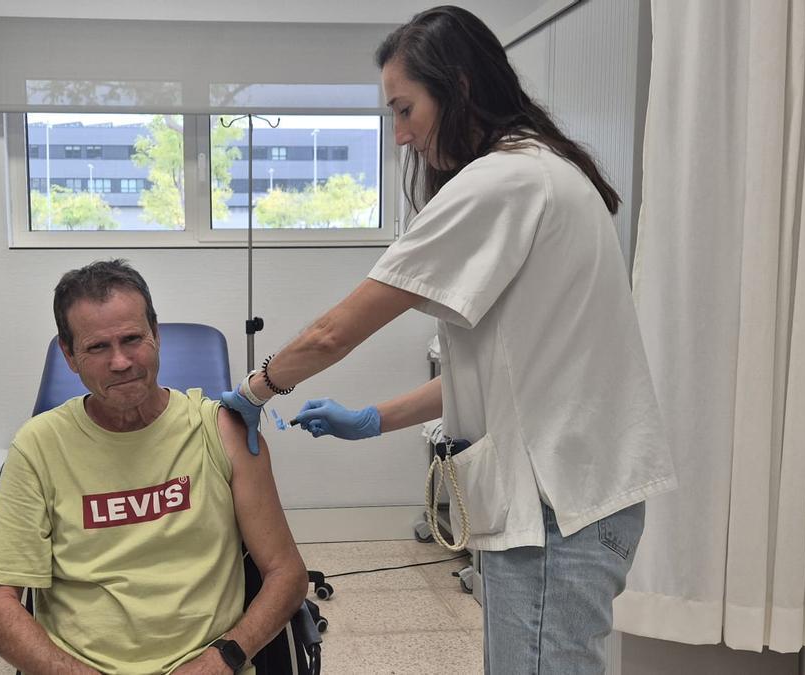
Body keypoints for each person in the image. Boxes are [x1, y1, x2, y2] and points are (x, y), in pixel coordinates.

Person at [220, 6, 676, 673]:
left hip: (558, 507)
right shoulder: (543, 169)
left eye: (405, 110)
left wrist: (256, 388)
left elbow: (334, 332)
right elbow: (500, 372)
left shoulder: (503, 180)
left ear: (458, 87)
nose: (401, 135)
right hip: (577, 498)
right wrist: (373, 419)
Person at [0, 260, 307, 674]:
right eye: (97, 347)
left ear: (156, 335)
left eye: (132, 339)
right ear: (69, 355)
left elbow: (286, 575)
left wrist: (224, 659)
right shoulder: (39, 446)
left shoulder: (222, 431)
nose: (121, 362)